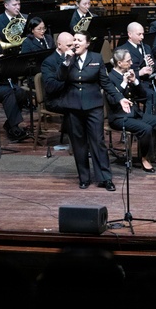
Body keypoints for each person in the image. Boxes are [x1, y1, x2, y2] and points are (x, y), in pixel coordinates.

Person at [106, 48, 156, 173]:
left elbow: (143, 96)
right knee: (146, 129)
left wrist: (135, 81)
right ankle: (145, 158)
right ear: (119, 63)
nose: (131, 63)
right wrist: (124, 83)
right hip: (119, 117)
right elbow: (113, 102)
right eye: (128, 61)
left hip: (134, 114)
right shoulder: (110, 78)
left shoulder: (129, 73)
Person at [58, 31, 115, 190]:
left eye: (79, 40)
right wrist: (66, 62)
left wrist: (119, 98)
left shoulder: (96, 58)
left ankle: (105, 178)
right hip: (73, 107)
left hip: (93, 106)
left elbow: (106, 82)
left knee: (98, 142)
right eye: (74, 39)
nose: (75, 42)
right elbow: (60, 78)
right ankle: (84, 177)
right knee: (79, 144)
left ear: (87, 43)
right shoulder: (68, 59)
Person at [115, 22, 156, 116]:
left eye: (143, 34)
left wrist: (152, 67)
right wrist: (139, 72)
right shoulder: (121, 50)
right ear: (130, 34)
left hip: (148, 82)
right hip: (133, 85)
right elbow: (120, 72)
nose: (142, 37)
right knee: (152, 96)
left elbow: (155, 64)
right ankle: (150, 122)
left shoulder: (146, 47)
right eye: (139, 34)